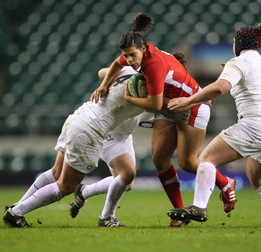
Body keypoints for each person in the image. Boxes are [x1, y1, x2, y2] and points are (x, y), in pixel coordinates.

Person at [91, 12, 236, 227]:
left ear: (142, 49)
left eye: (132, 55)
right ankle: (179, 215)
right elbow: (116, 64)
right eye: (127, 55)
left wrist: (129, 97)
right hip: (169, 104)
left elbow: (155, 104)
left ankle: (225, 182)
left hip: (192, 105)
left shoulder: (153, 64)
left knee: (187, 162)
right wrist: (104, 85)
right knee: (160, 159)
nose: (129, 60)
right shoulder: (137, 51)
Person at [167, 23, 261, 228]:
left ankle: (199, 207)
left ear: (238, 43)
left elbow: (220, 88)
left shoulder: (238, 61)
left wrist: (189, 101)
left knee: (206, 159)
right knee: (258, 179)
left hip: (255, 125)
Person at [3, 66, 150, 228]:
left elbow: (102, 72)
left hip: (80, 116)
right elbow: (158, 105)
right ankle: (16, 213)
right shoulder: (152, 89)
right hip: (90, 130)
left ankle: (16, 206)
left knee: (56, 172)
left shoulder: (130, 70)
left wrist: (106, 83)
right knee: (66, 185)